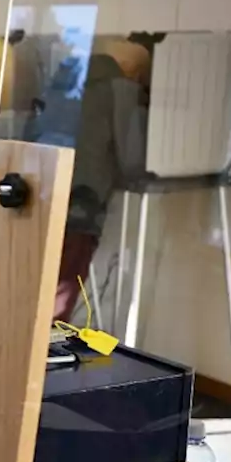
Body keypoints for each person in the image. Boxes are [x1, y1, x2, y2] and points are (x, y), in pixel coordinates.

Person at [27, 38, 151, 321]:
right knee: (62, 290)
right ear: (130, 69)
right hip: (83, 201)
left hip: (40, 192)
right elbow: (130, 159)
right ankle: (45, 358)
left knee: (36, 282)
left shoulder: (62, 81)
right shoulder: (120, 90)